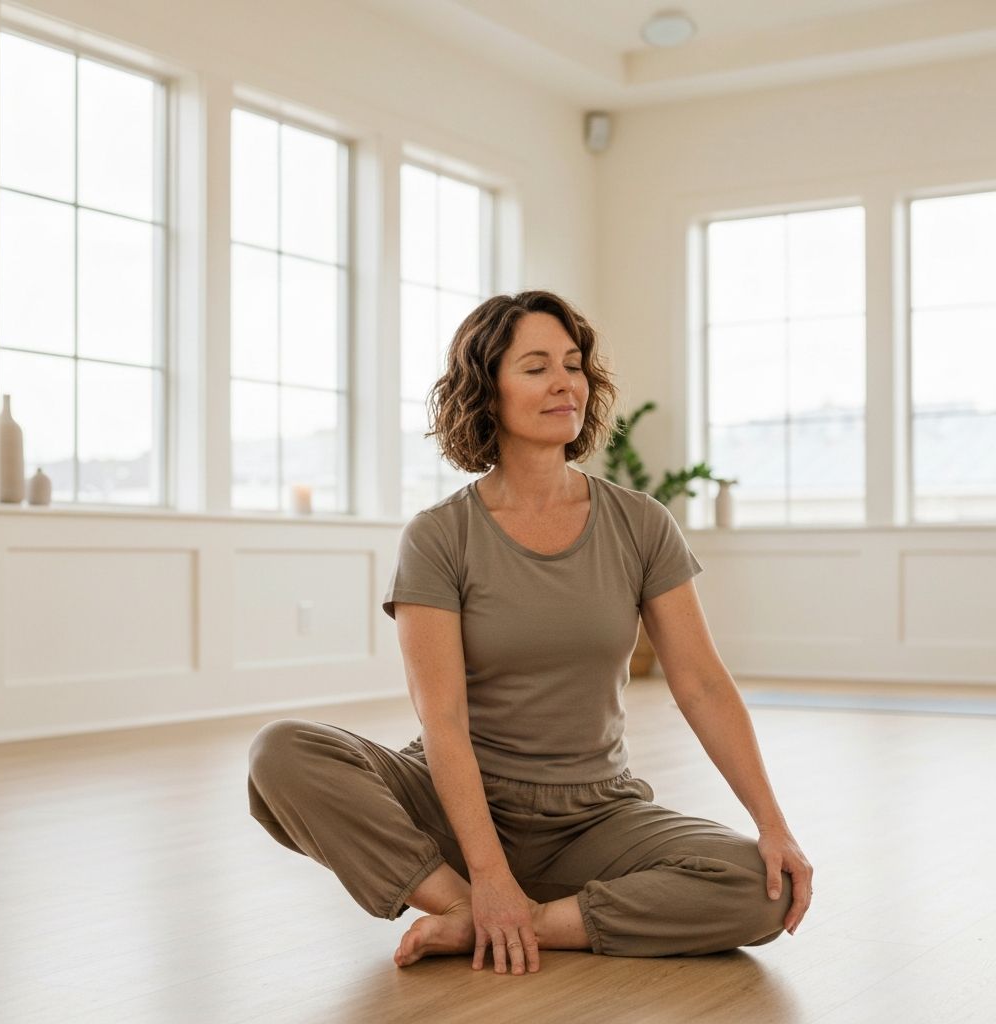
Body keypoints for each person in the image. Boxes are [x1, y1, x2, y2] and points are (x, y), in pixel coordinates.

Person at [248, 289, 813, 976]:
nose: (563, 383)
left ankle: (529, 923)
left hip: (593, 816)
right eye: (536, 366)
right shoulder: (440, 535)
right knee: (279, 755)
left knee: (761, 890)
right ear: (488, 391)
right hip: (455, 804)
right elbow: (444, 718)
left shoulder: (640, 524)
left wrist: (774, 826)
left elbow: (701, 685)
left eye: (573, 365)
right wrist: (483, 876)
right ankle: (463, 903)